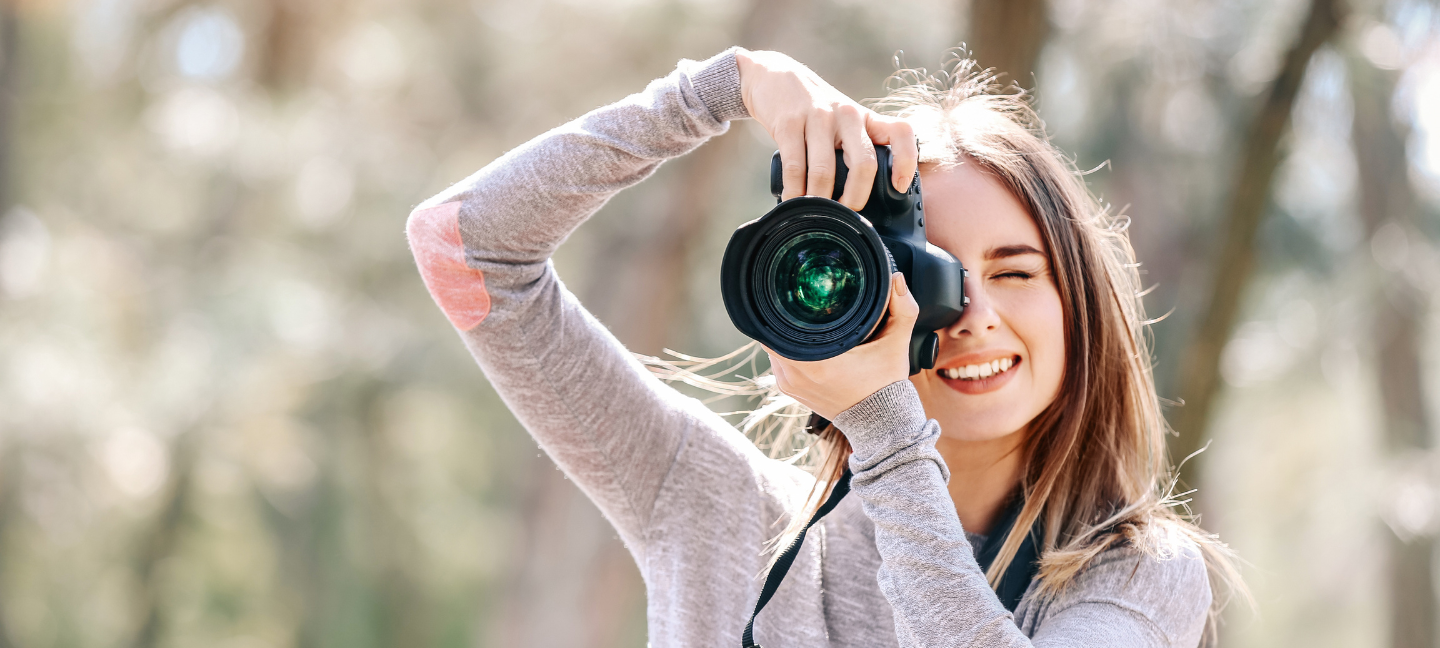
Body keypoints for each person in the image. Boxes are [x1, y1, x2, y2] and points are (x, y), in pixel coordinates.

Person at [406, 46, 1240, 647]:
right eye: (926, 274)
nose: (971, 312)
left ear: (1079, 303)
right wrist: (718, 90)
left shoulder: (1134, 574)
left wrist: (883, 427)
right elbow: (464, 245)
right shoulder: (710, 502)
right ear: (853, 293)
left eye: (1017, 272)